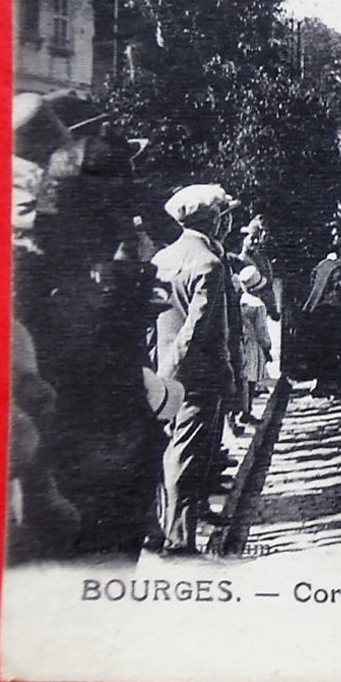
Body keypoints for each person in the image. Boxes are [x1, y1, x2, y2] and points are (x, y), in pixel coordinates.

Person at [150, 183, 241, 556]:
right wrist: (225, 374)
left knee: (176, 451)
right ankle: (179, 541)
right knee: (186, 458)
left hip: (164, 375)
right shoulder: (209, 264)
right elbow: (200, 327)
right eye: (222, 215)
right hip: (196, 375)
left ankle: (172, 525)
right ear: (213, 218)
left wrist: (160, 369)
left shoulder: (163, 259)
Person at [301, 235, 341, 399]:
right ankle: (337, 386)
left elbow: (313, 280)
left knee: (322, 350)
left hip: (316, 311)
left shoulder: (322, 264)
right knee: (340, 348)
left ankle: (321, 384)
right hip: (334, 313)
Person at [232, 265, 275, 434]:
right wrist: (267, 347)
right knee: (251, 380)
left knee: (242, 378)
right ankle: (246, 411)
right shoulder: (257, 305)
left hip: (240, 342)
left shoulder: (239, 301)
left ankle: (241, 411)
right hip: (254, 345)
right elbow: (262, 330)